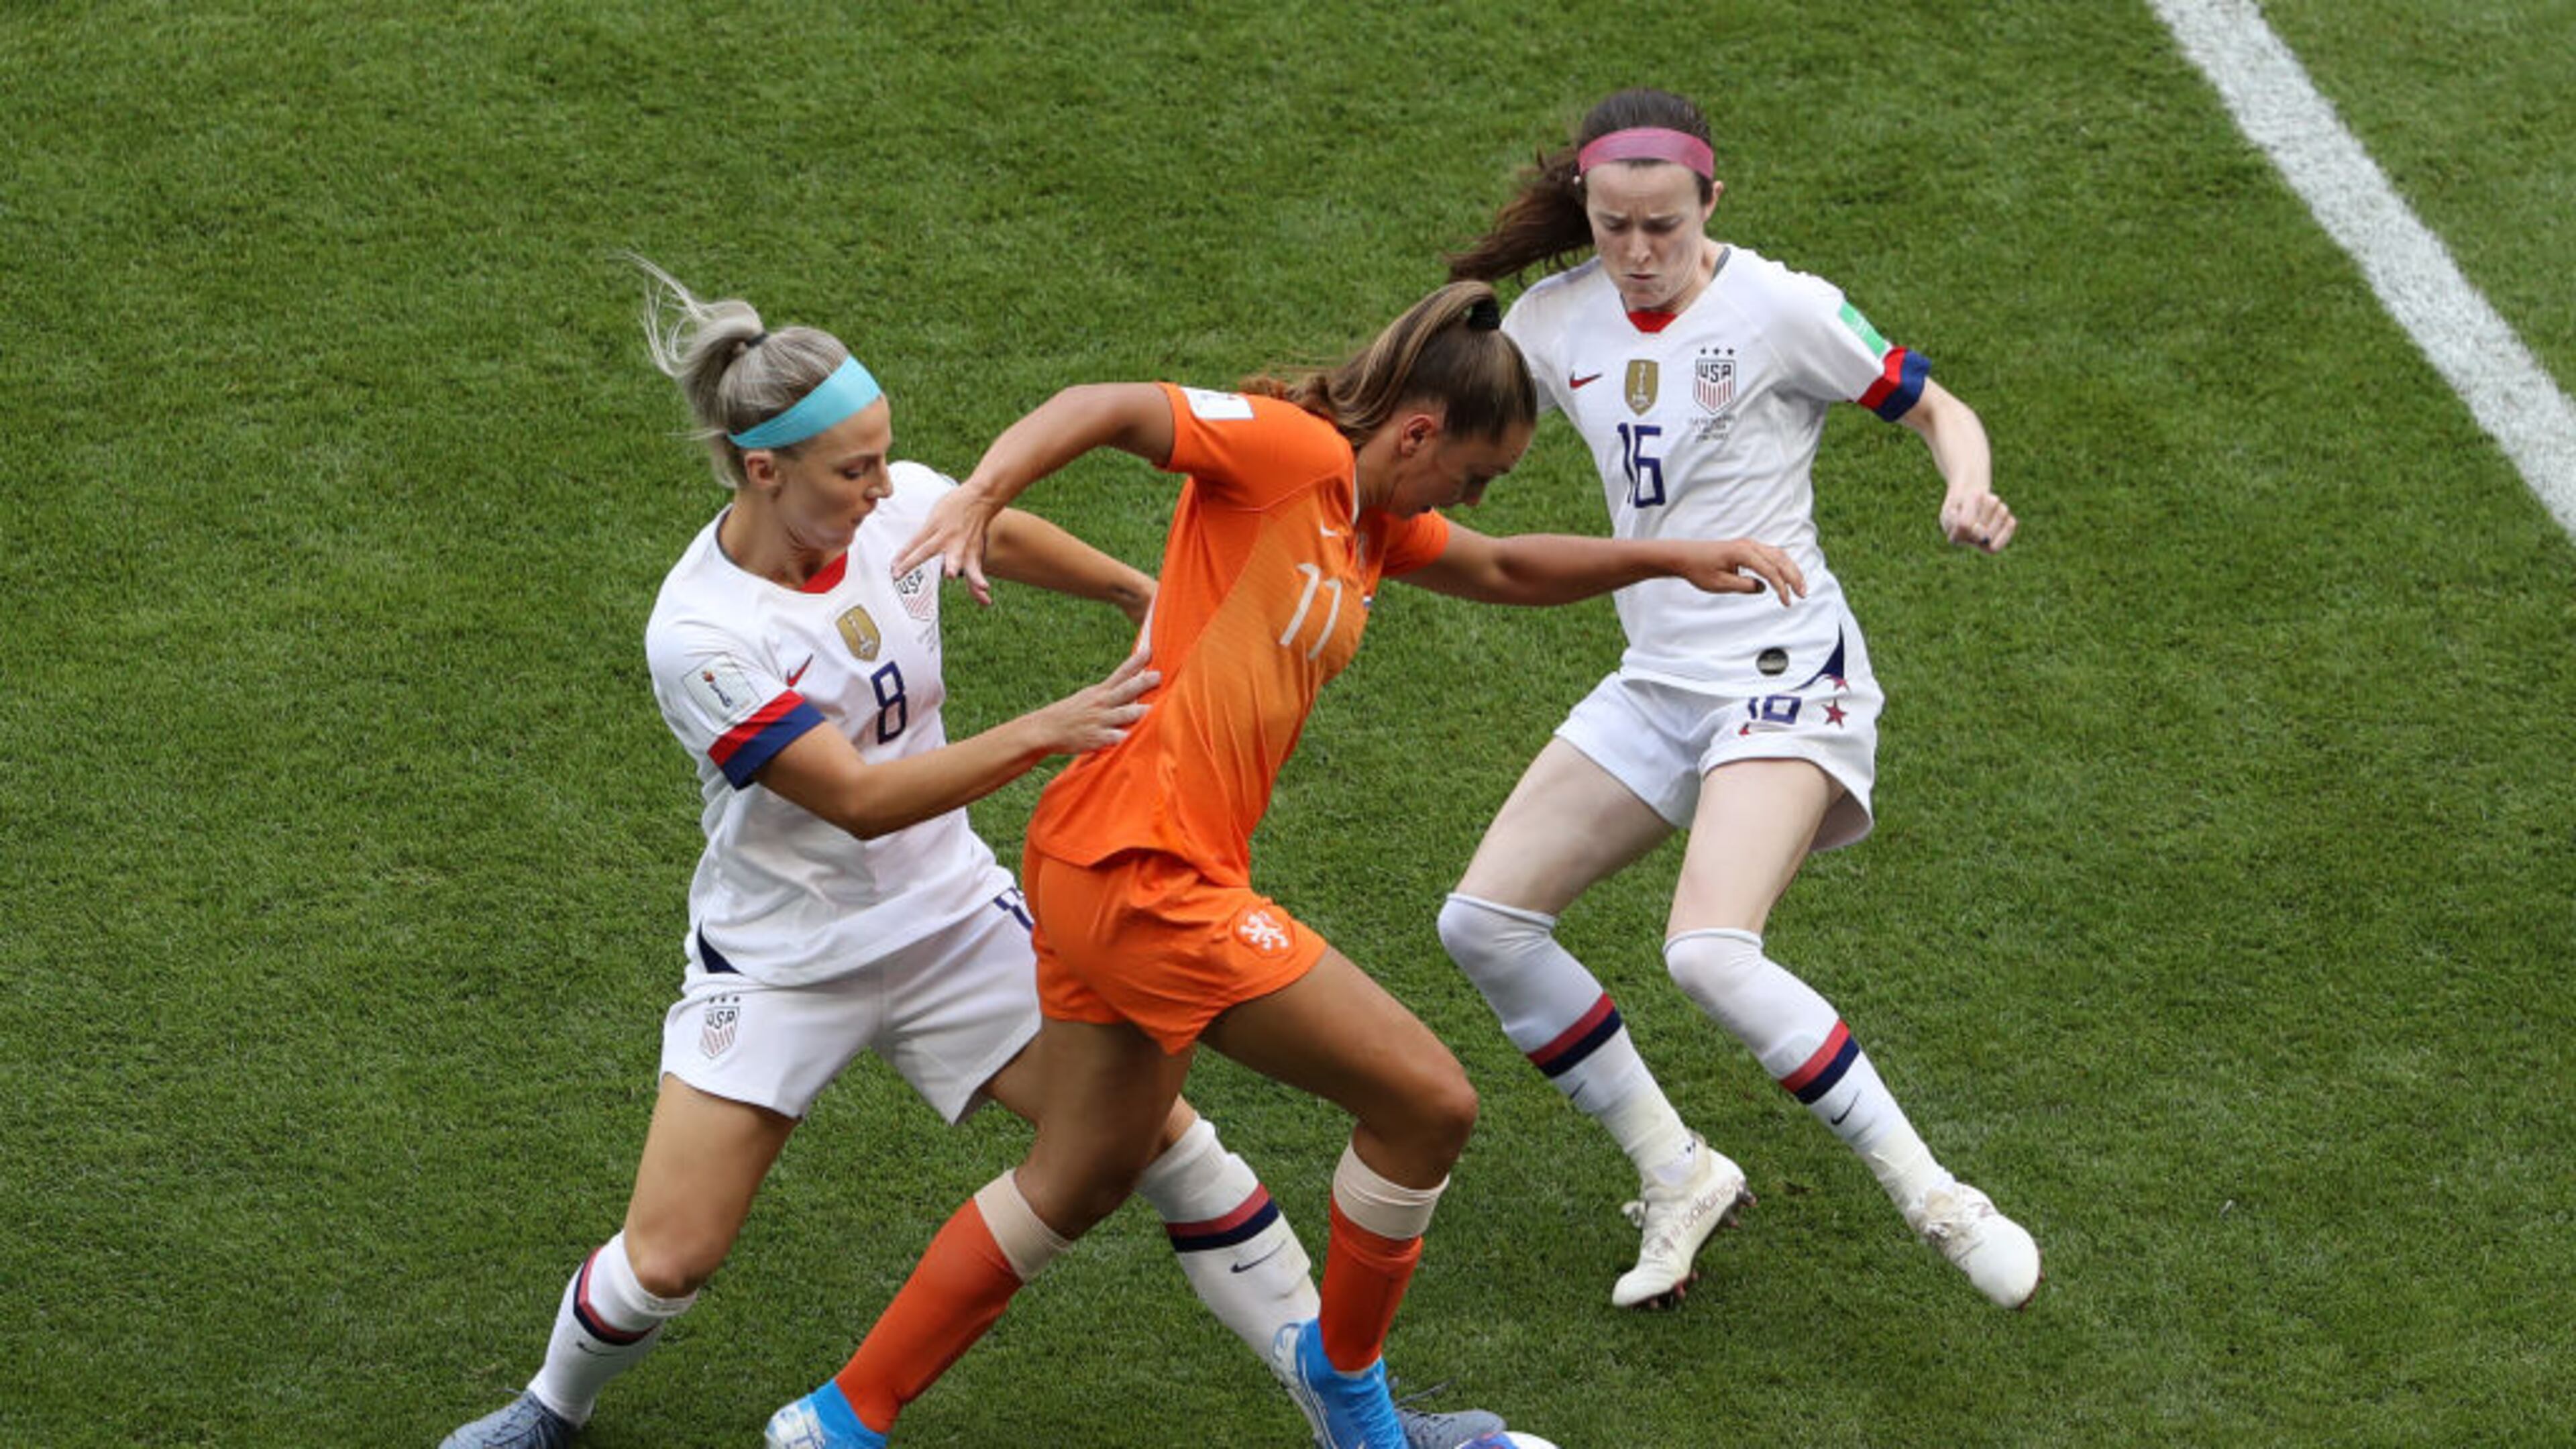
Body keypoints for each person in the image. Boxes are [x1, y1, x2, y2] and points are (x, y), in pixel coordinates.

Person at [439, 260, 1502, 1449]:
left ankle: (1350, 1411)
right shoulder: (703, 634)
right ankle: (548, 1409)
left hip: (951, 919)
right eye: (856, 469)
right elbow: (854, 800)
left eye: (886, 456)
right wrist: (1044, 731)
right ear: (762, 471)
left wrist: (1133, 591)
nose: (886, 486)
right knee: (672, 1256)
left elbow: (976, 516)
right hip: (786, 957)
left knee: (1154, 1141)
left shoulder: (881, 503)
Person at [761, 280, 1807, 1449]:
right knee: (1427, 1102)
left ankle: (838, 1421)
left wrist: (1674, 557)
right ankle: (1350, 1396)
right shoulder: (1290, 457)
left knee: (1084, 1172)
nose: (1470, 499)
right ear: (1417, 434)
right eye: (1471, 475)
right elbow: (1107, 404)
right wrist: (982, 497)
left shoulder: (1374, 523)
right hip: (1140, 867)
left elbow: (1507, 568)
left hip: (1107, 857)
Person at [1435, 87, 2041, 1313]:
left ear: (1712, 202)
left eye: (1663, 226)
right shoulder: (1556, 321)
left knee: (1709, 952)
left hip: (1784, 679)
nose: (1640, 254)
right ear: (1587, 214)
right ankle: (1678, 1169)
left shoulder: (1783, 308)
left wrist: (1965, 486)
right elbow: (1445, 419)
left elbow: (1936, 406)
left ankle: (1936, 1195)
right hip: (1659, 681)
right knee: (1484, 925)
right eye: (1613, 228)